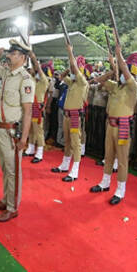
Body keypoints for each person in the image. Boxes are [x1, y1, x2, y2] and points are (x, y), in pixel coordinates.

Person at [0, 40, 34, 222]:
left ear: (22, 57)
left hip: (12, 132)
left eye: (14, 54)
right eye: (10, 53)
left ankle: (13, 208)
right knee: (5, 168)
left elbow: (28, 111)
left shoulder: (25, 79)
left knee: (13, 170)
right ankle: (5, 200)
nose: (10, 55)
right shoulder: (6, 72)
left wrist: (24, 138)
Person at [89, 47, 137, 205]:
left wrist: (119, 58)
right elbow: (98, 81)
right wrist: (113, 70)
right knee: (108, 155)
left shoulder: (133, 87)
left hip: (123, 126)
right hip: (110, 124)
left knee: (122, 159)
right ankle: (105, 182)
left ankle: (121, 190)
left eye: (126, 73)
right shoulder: (115, 85)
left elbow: (126, 72)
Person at [51, 45, 88, 178]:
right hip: (66, 115)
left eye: (74, 69)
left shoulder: (83, 82)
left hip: (75, 117)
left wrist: (70, 53)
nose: (72, 71)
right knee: (67, 141)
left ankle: (75, 170)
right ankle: (65, 165)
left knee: (75, 143)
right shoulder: (71, 83)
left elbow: (75, 69)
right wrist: (69, 68)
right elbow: (61, 76)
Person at [24, 51, 50, 164]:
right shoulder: (33, 81)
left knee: (38, 131)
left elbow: (38, 69)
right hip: (30, 108)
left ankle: (39, 153)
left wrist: (33, 58)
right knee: (30, 130)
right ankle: (30, 148)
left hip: (37, 110)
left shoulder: (44, 81)